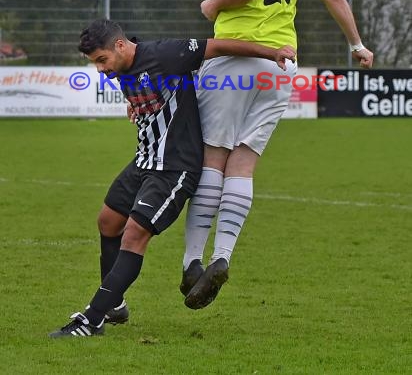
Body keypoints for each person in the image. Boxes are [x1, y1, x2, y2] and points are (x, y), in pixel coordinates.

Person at [180, 0, 374, 310]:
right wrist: (357, 44)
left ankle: (193, 262)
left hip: (233, 61)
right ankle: (223, 257)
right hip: (278, 68)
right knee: (243, 164)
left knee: (213, 157)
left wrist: (212, 5)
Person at [49, 18, 295, 337]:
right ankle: (115, 304)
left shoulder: (166, 54)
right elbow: (145, 90)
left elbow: (216, 45)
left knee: (134, 234)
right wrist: (134, 104)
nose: (100, 70)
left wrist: (271, 52)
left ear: (120, 46)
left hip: (174, 168)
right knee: (108, 221)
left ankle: (92, 319)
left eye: (101, 60)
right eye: (95, 63)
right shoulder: (122, 68)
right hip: (144, 161)